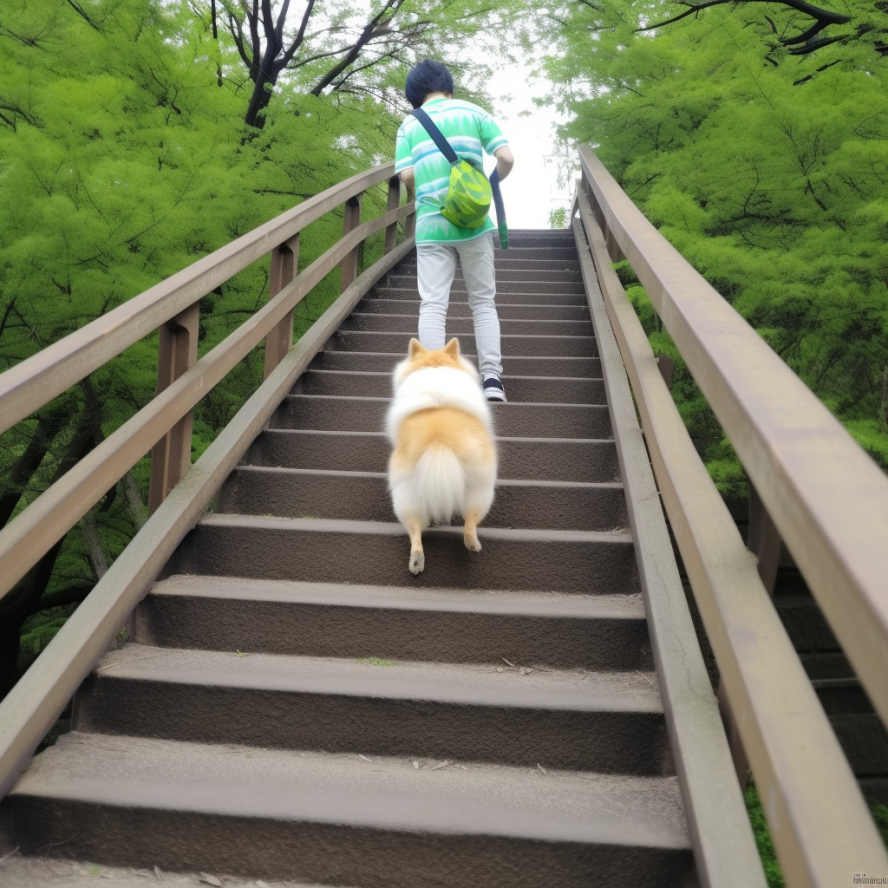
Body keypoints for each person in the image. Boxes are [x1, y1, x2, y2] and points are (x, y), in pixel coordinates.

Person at [395, 60, 515, 402]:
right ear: (448, 87)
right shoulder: (472, 111)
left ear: (414, 96)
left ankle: (437, 385)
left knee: (433, 304)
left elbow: (406, 177)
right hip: (474, 224)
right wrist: (487, 183)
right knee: (482, 303)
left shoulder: (409, 124)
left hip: (432, 224)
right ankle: (491, 381)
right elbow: (506, 157)